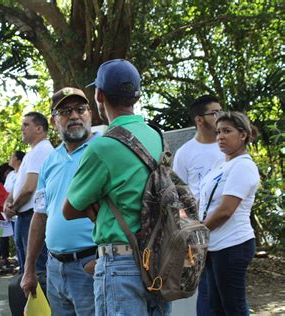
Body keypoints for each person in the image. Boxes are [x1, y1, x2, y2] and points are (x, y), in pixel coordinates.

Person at [63, 59, 171, 315]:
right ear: (136, 95)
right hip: (157, 258)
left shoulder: (103, 146)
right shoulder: (155, 135)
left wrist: (98, 203)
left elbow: (69, 210)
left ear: (99, 95)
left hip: (121, 263)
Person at [21, 87, 99, 315]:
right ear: (55, 121)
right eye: (65, 111)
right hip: (54, 268)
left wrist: (102, 259)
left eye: (80, 109)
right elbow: (40, 214)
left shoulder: (103, 149)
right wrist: (29, 269)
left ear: (90, 114)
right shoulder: (50, 160)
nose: (74, 115)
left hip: (90, 265)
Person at [199, 111, 259, 315]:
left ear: (243, 135)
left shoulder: (244, 166)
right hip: (214, 245)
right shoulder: (222, 165)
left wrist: (197, 232)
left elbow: (225, 211)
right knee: (217, 307)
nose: (220, 137)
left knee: (233, 307)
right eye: (218, 132)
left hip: (233, 245)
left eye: (227, 131)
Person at [172, 95, 224, 315]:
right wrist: (188, 231)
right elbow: (177, 196)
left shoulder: (228, 146)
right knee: (204, 293)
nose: (221, 116)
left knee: (230, 294)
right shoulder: (185, 153)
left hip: (228, 233)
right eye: (215, 113)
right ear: (199, 120)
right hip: (199, 237)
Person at [4, 112, 54, 274]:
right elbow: (19, 184)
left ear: (39, 128)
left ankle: (40, 299)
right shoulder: (32, 152)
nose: (22, 129)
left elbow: (30, 188)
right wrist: (8, 202)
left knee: (36, 269)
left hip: (32, 215)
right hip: (24, 215)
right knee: (27, 267)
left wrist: (13, 207)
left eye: (26, 125)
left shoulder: (42, 150)